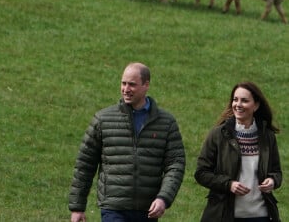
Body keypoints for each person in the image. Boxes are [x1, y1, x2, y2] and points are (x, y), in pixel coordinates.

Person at [69, 62, 186, 222]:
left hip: (148, 210)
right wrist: (77, 207)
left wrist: (163, 198)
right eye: (123, 83)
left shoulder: (166, 123)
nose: (126, 89)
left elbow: (175, 165)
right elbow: (85, 164)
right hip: (113, 208)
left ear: (146, 85)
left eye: (132, 84)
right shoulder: (103, 120)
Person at [194, 81, 282, 222]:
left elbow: (276, 172)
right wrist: (229, 184)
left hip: (260, 216)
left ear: (256, 105)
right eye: (235, 100)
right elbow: (201, 173)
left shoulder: (267, 136)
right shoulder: (218, 135)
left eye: (244, 101)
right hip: (225, 215)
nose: (238, 105)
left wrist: (272, 181)